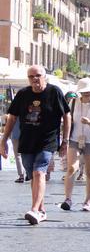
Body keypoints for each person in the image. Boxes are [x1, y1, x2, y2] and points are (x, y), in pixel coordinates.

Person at [0, 65, 71, 224]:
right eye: (31, 76)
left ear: (44, 76)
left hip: (48, 140)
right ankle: (41, 210)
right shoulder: (23, 94)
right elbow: (12, 118)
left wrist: (65, 140)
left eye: (37, 75)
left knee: (39, 172)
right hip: (27, 140)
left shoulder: (54, 92)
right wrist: (4, 140)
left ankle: (33, 209)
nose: (34, 79)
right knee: (32, 175)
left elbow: (67, 116)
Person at [60, 77, 90, 212]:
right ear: (79, 92)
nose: (86, 94)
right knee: (71, 168)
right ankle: (68, 199)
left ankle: (88, 200)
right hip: (74, 139)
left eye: (89, 91)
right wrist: (65, 137)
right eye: (84, 92)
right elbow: (67, 120)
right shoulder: (73, 103)